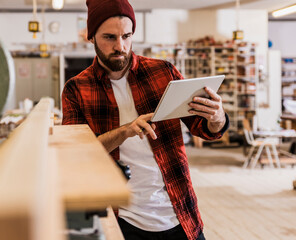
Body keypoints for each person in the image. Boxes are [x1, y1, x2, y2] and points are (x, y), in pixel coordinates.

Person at [62, 0, 229, 239]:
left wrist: (217, 116)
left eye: (126, 36)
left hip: (179, 212)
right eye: (109, 37)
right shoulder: (76, 88)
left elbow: (205, 129)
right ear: (91, 37)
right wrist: (125, 131)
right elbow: (75, 155)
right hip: (121, 218)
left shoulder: (163, 73)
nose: (120, 46)